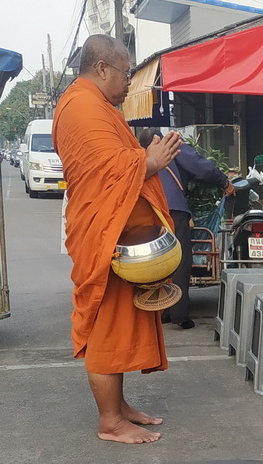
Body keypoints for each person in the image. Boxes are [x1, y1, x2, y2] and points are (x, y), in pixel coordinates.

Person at [53, 34, 183, 444]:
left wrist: (146, 158)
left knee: (123, 324)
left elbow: (113, 162)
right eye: (126, 74)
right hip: (105, 236)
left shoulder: (98, 106)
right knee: (108, 329)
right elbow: (105, 172)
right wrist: (150, 161)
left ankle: (119, 407)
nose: (129, 82)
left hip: (122, 235)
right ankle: (110, 422)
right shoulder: (81, 106)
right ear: (102, 68)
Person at [138, 128, 236, 330]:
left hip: (146, 210)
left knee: (156, 260)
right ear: (159, 138)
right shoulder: (172, 147)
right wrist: (224, 181)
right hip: (172, 208)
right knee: (179, 259)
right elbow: (201, 167)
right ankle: (179, 313)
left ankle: (162, 311)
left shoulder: (138, 154)